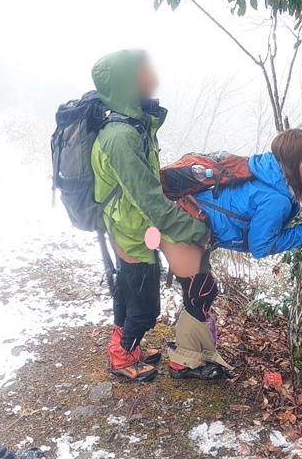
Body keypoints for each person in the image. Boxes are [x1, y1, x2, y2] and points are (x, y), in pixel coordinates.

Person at [160, 128, 302, 377]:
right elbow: (261, 246)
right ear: (293, 163)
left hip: (189, 218)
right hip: (184, 227)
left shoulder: (269, 168)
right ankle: (183, 364)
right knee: (200, 292)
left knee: (200, 292)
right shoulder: (275, 199)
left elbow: (290, 183)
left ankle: (192, 353)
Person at [90, 49, 216, 382]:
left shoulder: (133, 124)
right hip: (131, 228)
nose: (153, 73)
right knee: (145, 305)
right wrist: (192, 229)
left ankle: (127, 348)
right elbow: (147, 199)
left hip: (135, 225)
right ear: (127, 81)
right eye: (145, 68)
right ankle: (121, 358)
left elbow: (148, 187)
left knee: (130, 290)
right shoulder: (120, 137)